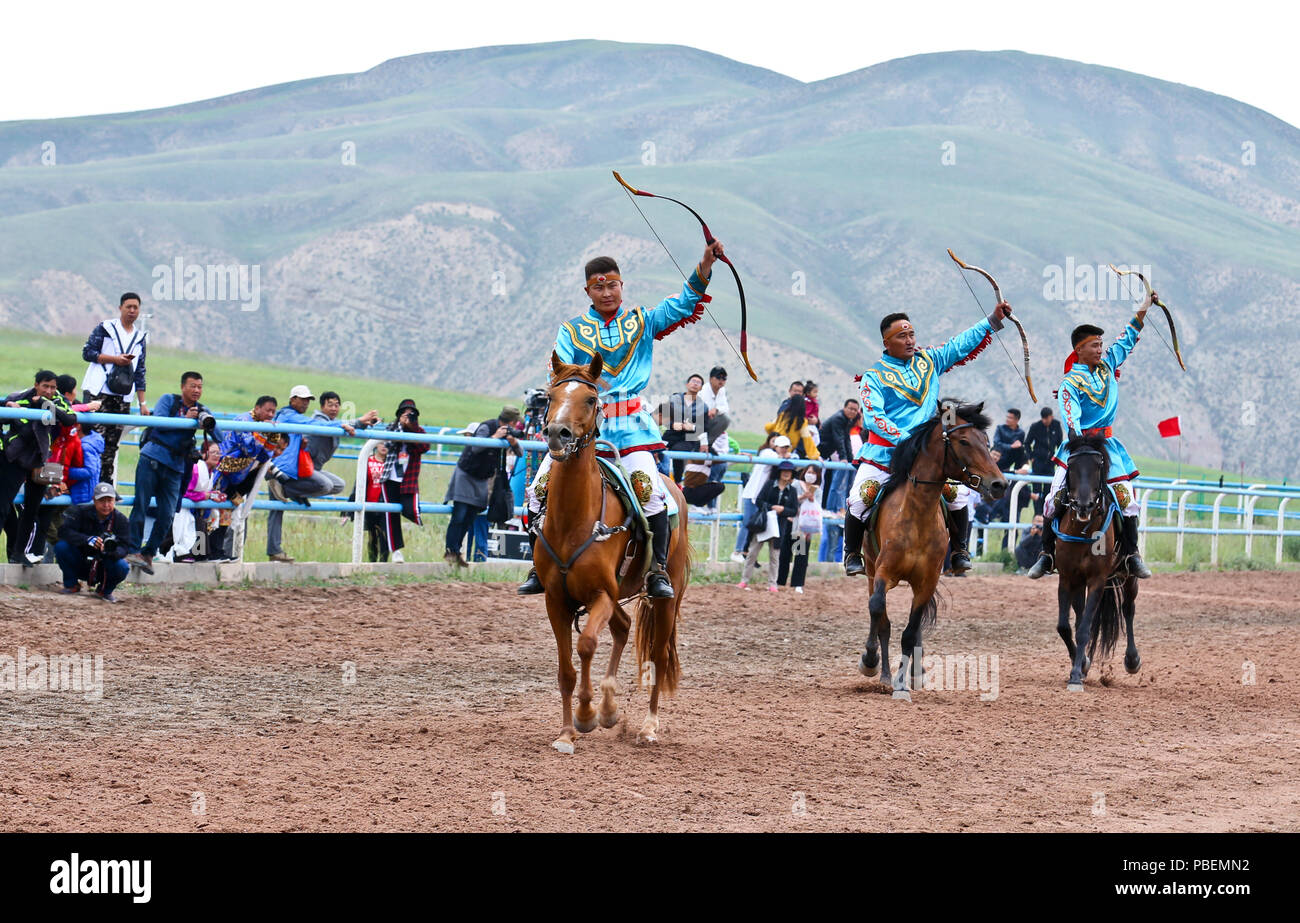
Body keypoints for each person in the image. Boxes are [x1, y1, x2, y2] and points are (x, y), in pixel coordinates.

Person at [518, 246, 723, 598]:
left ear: (621, 286)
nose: (607, 292)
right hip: (583, 426)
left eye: (612, 285)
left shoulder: (641, 321)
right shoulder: (572, 331)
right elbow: (564, 371)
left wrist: (705, 263)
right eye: (598, 287)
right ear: (588, 292)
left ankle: (658, 570)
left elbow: (684, 303)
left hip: (631, 426)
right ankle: (540, 565)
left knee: (651, 493)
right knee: (537, 492)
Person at [843, 303, 1015, 577]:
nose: (910, 340)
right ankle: (852, 553)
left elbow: (959, 345)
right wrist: (906, 439)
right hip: (885, 453)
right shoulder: (873, 378)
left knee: (958, 495)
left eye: (911, 334)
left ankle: (959, 551)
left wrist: (992, 320)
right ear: (887, 342)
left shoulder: (928, 361)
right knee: (860, 498)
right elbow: (875, 418)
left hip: (927, 457)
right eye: (902, 336)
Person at [1028, 294, 1159, 580]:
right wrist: (1077, 439)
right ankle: (1047, 554)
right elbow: (1070, 414)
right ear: (1080, 349)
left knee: (1126, 498)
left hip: (1108, 446)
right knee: (1054, 499)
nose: (1101, 349)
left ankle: (1131, 554)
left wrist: (1144, 308)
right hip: (1078, 446)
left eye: (1101, 344)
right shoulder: (1070, 382)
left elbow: (1127, 338)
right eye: (1095, 345)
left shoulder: (1108, 366)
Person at [125, 371, 215, 575]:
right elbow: (160, 423)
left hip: (176, 467)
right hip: (153, 459)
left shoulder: (201, 409)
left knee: (167, 514)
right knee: (141, 505)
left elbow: (217, 433)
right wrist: (184, 418)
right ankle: (132, 550)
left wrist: (205, 421)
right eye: (193, 386)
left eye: (200, 387)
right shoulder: (169, 400)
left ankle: (148, 554)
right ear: (183, 386)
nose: (197, 390)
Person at [264, 385, 358, 563]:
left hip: (289, 469)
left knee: (278, 509)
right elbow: (311, 424)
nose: (306, 403)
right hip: (281, 469)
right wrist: (347, 423)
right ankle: (273, 549)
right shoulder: (289, 416)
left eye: (308, 400)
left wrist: (302, 445)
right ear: (292, 400)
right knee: (277, 509)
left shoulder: (295, 418)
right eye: (302, 399)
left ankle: (289, 493)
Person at [80, 292, 149, 486]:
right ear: (120, 308)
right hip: (98, 391)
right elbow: (88, 352)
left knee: (112, 444)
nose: (132, 311)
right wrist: (114, 359)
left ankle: (106, 486)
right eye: (129, 307)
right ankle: (89, 483)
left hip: (123, 395)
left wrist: (142, 402)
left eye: (136, 307)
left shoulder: (139, 337)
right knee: (93, 440)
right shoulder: (106, 328)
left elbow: (140, 370)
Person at [2, 370, 79, 542]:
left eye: (53, 387)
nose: (49, 391)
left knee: (31, 511)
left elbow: (69, 418)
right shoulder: (24, 397)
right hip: (16, 458)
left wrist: (45, 402)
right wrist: (9, 406)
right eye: (45, 386)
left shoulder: (58, 401)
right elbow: (7, 409)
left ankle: (20, 555)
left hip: (40, 460)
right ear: (36, 385)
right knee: (5, 505)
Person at [444, 407, 522, 567]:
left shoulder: (506, 432)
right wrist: (495, 437)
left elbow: (520, 453)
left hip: (481, 479)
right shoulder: (486, 427)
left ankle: (456, 552)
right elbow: (476, 447)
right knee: (459, 515)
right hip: (466, 475)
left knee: (470, 517)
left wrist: (513, 442)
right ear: (513, 422)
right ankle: (450, 550)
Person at [54, 482, 131, 602]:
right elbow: (63, 532)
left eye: (109, 500)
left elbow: (125, 547)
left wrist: (110, 550)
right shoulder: (80, 511)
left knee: (122, 566)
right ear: (94, 500)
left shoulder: (121, 520)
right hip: (81, 559)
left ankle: (105, 591)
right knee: (61, 547)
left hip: (104, 564)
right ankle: (71, 584)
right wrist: (87, 540)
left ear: (115, 501)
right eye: (102, 501)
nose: (106, 505)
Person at [379, 398, 430, 563]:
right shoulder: (392, 429)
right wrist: (401, 428)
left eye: (411, 414)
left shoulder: (419, 432)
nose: (407, 417)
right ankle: (396, 551)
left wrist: (411, 430)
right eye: (404, 413)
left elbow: (424, 447)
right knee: (391, 514)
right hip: (390, 477)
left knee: (411, 510)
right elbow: (386, 445)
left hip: (408, 479)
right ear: (399, 415)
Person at [730, 434, 792, 563]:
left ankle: (748, 553)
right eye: (782, 447)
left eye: (786, 447)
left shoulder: (777, 458)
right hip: (752, 494)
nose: (784, 450)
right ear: (776, 446)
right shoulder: (767, 453)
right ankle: (738, 550)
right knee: (748, 522)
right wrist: (782, 457)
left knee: (758, 524)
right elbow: (772, 457)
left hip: (761, 496)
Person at [739, 460, 798, 591]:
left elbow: (794, 510)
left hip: (779, 527)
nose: (786, 473)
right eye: (784, 471)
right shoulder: (769, 485)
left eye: (789, 472)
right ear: (780, 472)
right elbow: (759, 501)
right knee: (752, 553)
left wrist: (782, 510)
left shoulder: (792, 491)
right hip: (764, 524)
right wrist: (772, 507)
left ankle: (772, 583)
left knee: (775, 556)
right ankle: (744, 581)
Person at [175, 440, 224, 562]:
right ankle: (181, 553)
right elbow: (185, 492)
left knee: (202, 554)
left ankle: (192, 553)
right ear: (203, 454)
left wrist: (211, 495)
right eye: (213, 452)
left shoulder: (211, 473)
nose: (216, 455)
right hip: (183, 509)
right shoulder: (195, 469)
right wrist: (205, 496)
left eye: (218, 453)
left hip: (195, 511)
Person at [658, 373, 707, 484]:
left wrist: (692, 427)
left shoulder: (703, 406)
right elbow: (663, 416)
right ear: (687, 384)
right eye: (693, 381)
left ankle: (677, 483)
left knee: (678, 452)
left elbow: (704, 428)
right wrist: (672, 424)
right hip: (671, 434)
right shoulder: (674, 399)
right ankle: (660, 479)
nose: (695, 384)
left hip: (689, 438)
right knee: (658, 449)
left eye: (698, 382)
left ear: (701, 388)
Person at [779, 465, 820, 593]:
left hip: (804, 527)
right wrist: (803, 497)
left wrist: (812, 499)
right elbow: (790, 501)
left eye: (814, 473)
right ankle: (780, 580)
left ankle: (797, 583)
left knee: (801, 554)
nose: (811, 474)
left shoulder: (818, 490)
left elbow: (817, 508)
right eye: (809, 472)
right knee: (785, 552)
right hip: (791, 521)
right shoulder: (796, 484)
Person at [817, 398, 860, 506]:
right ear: (844, 408)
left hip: (825, 454)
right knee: (819, 483)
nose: (852, 412)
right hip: (819, 453)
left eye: (855, 410)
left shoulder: (847, 420)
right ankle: (823, 508)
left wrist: (851, 459)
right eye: (850, 408)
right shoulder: (839, 418)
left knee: (824, 482)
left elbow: (846, 440)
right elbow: (839, 439)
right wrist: (843, 457)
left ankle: (825, 507)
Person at [1024, 407, 1064, 514]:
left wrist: (1058, 460)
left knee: (1048, 492)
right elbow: (1027, 443)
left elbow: (1060, 444)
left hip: (1050, 464)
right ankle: (1037, 515)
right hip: (1037, 463)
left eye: (1047, 418)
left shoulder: (1056, 425)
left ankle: (1046, 514)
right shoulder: (1035, 426)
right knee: (1037, 492)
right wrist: (1031, 457)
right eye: (1043, 419)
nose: (1045, 421)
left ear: (1051, 416)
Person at [764, 394, 820, 460]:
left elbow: (769, 427)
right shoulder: (801, 421)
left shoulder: (783, 415)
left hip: (775, 447)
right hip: (786, 451)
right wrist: (815, 456)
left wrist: (771, 436)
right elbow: (807, 439)